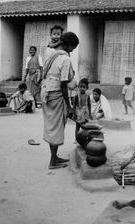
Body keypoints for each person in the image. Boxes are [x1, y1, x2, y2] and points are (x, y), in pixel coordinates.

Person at [41, 31, 79, 169]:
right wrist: (69, 106)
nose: (72, 51)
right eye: (72, 48)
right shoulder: (65, 59)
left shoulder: (49, 53)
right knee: (57, 126)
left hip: (46, 92)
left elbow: (49, 46)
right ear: (68, 45)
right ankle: (53, 162)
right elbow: (63, 84)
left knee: (52, 125)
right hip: (56, 93)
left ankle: (54, 157)